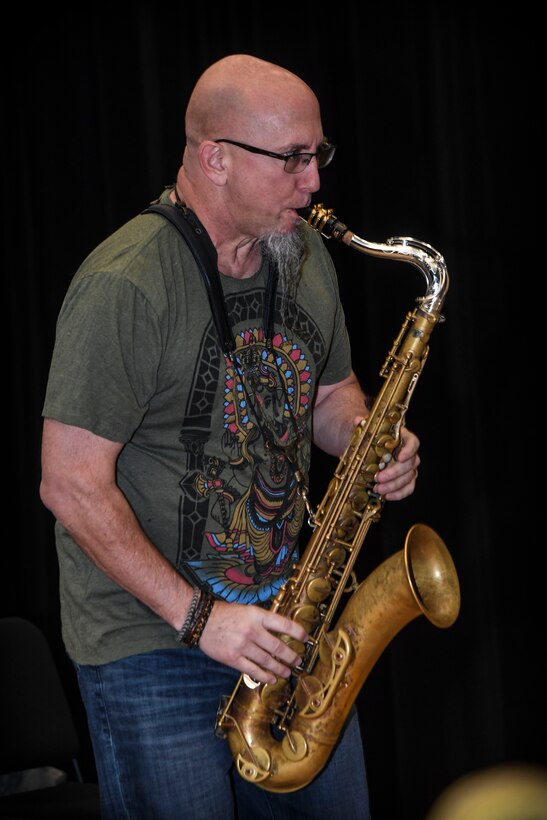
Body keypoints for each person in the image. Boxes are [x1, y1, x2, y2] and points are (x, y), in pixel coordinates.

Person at [40, 54, 421, 819]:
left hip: (287, 626)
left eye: (319, 155)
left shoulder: (302, 254)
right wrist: (201, 619)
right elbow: (69, 483)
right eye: (292, 159)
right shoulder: (126, 283)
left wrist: (366, 438)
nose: (313, 182)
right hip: (151, 645)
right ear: (214, 157)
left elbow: (330, 393)